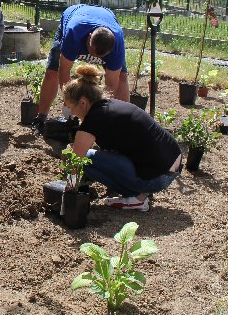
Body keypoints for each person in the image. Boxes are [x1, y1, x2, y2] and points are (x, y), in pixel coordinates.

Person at [62, 64, 182, 212]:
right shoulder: (111, 106)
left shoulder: (93, 120)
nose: (72, 114)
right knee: (98, 157)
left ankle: (136, 197)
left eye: (71, 107)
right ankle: (140, 190)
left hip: (157, 178)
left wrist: (68, 194)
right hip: (172, 166)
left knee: (85, 159)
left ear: (83, 102)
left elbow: (75, 161)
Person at [31, 4, 129, 133]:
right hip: (74, 15)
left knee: (122, 77)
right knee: (52, 71)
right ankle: (41, 118)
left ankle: (122, 125)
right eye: (92, 52)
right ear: (89, 37)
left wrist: (99, 113)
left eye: (99, 56)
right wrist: (69, 103)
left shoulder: (117, 43)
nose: (93, 57)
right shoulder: (73, 33)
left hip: (106, 17)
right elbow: (64, 71)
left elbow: (111, 85)